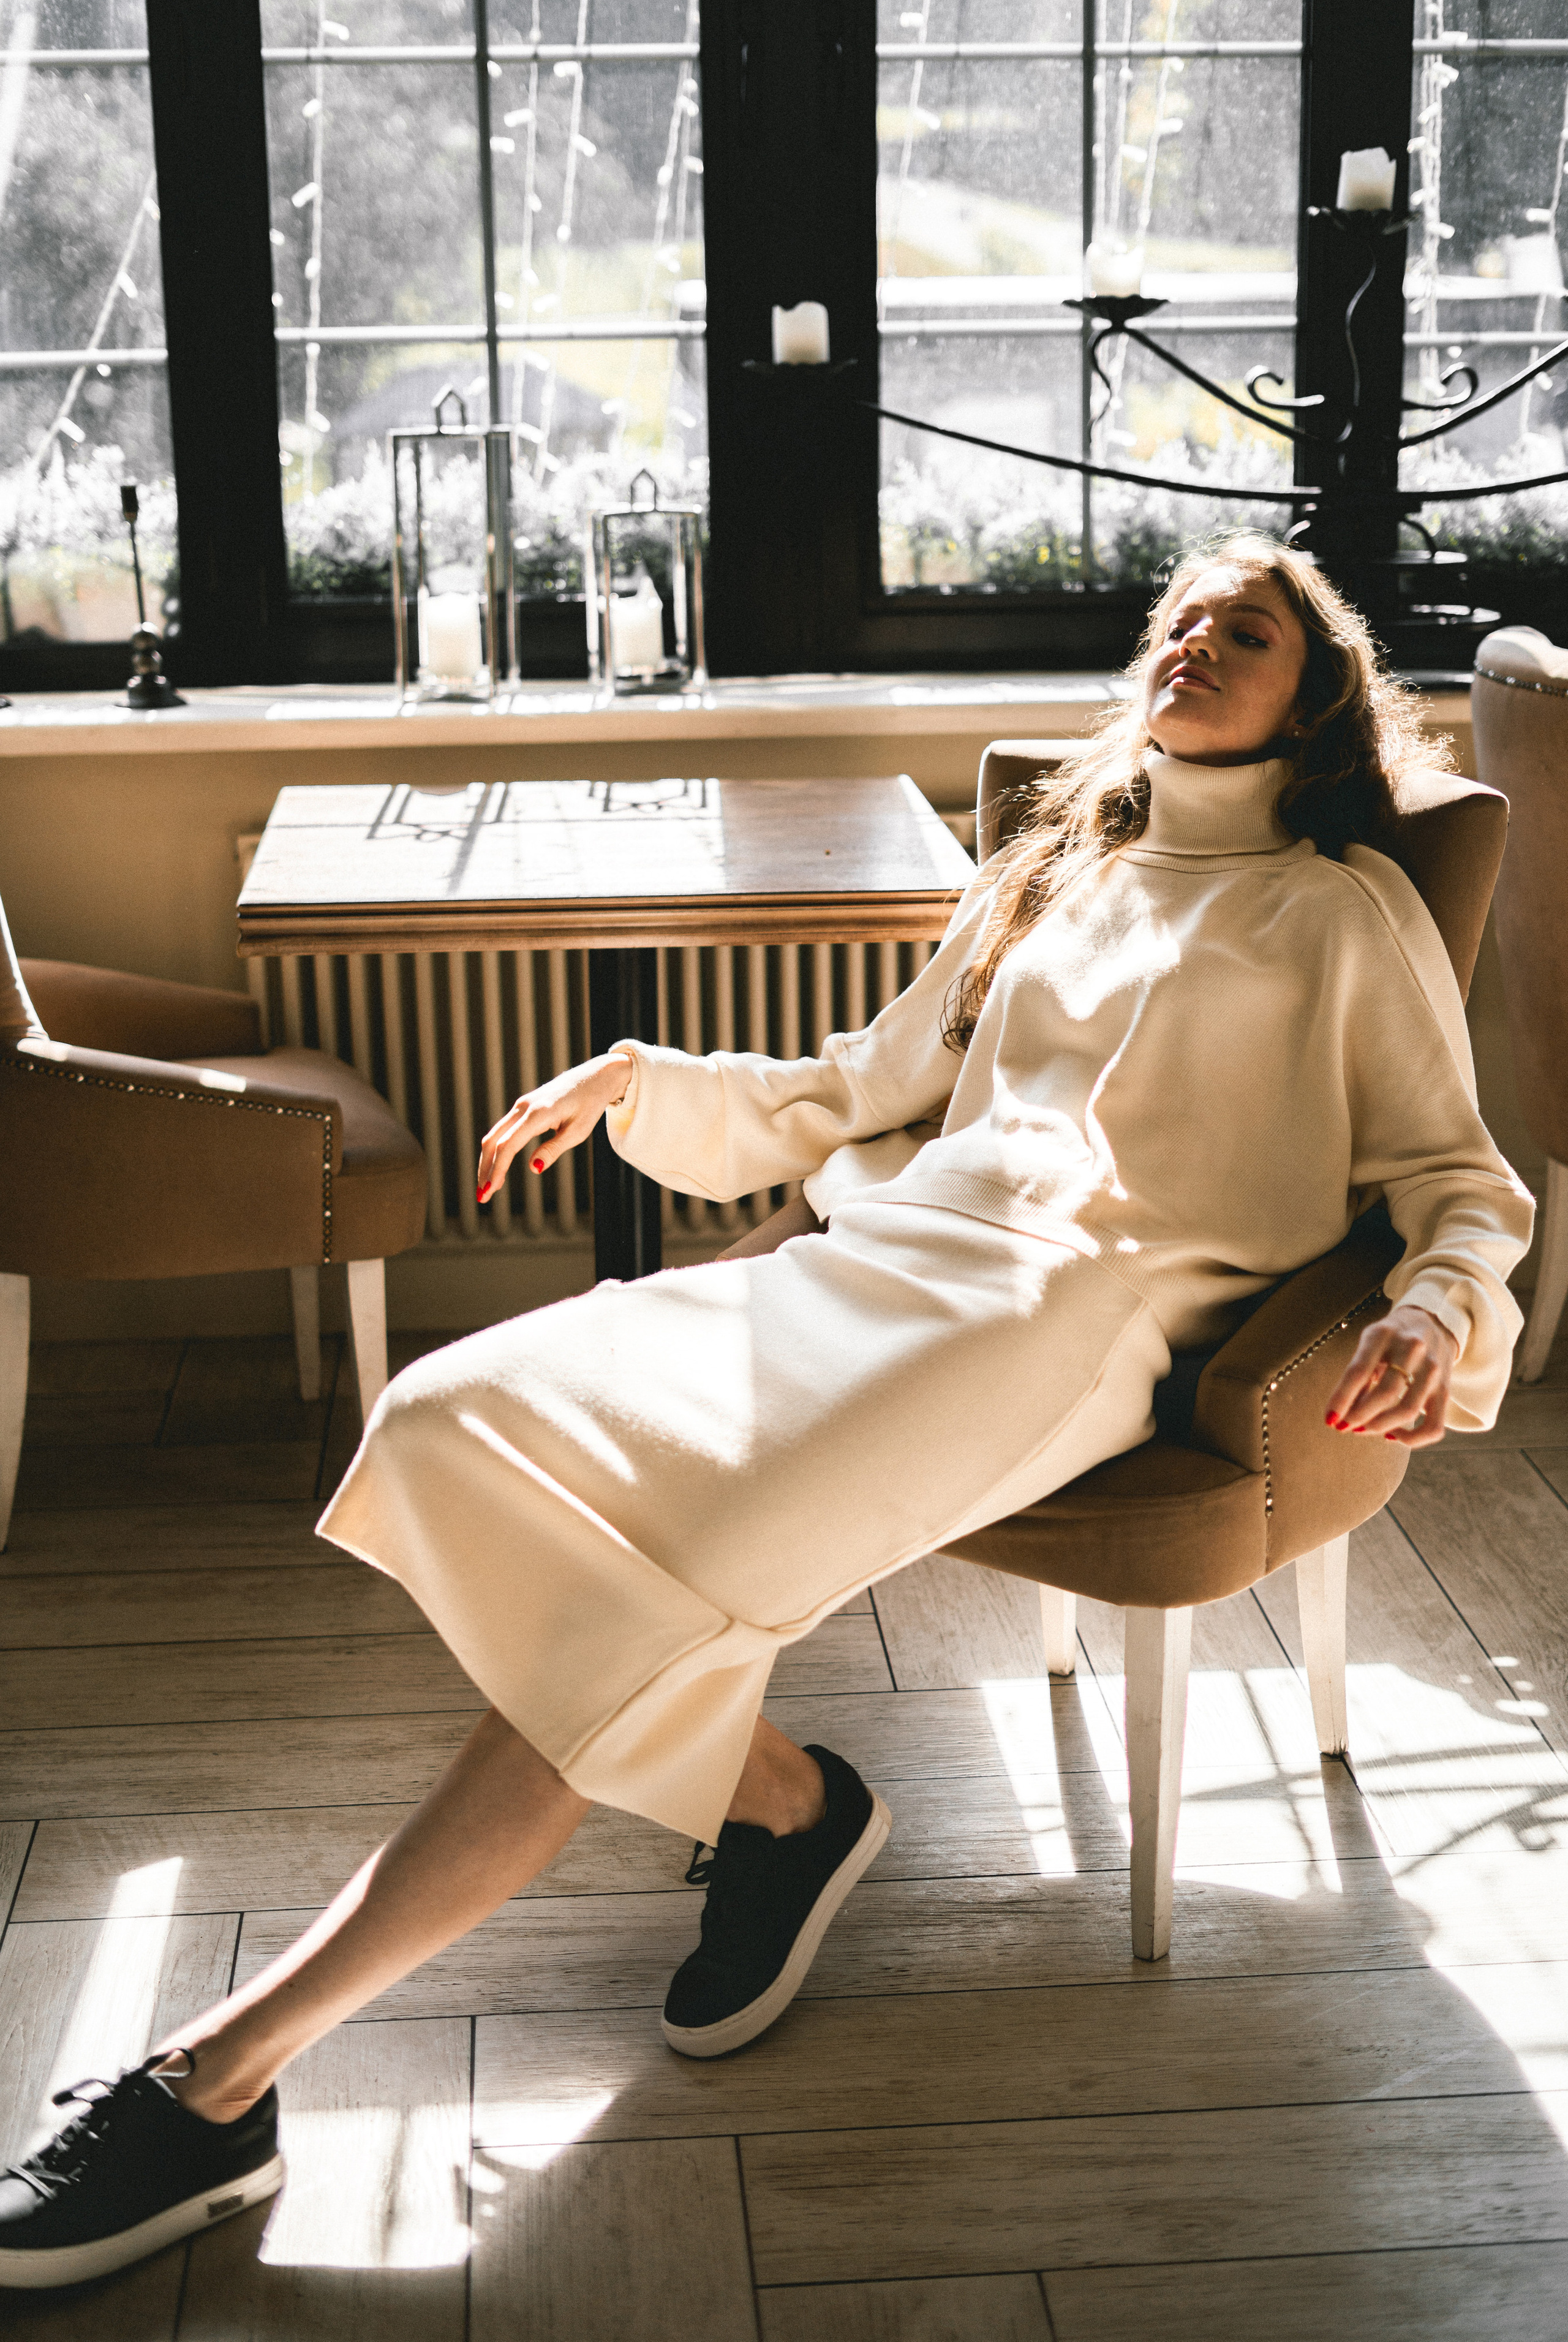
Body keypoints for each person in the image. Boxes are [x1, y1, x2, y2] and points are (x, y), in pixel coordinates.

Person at [0, 535, 1534, 2291]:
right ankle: (790, 1802)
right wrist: (639, 1082)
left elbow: (1458, 1176)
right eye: (1176, 621)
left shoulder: (1347, 910)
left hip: (1072, 1317)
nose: (1194, 644)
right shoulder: (1050, 879)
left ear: (1315, 695)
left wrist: (1436, 1297)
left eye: (1242, 631)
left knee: (657, 1607)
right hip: (889, 1259)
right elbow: (849, 1088)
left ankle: (217, 2081)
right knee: (445, 1412)